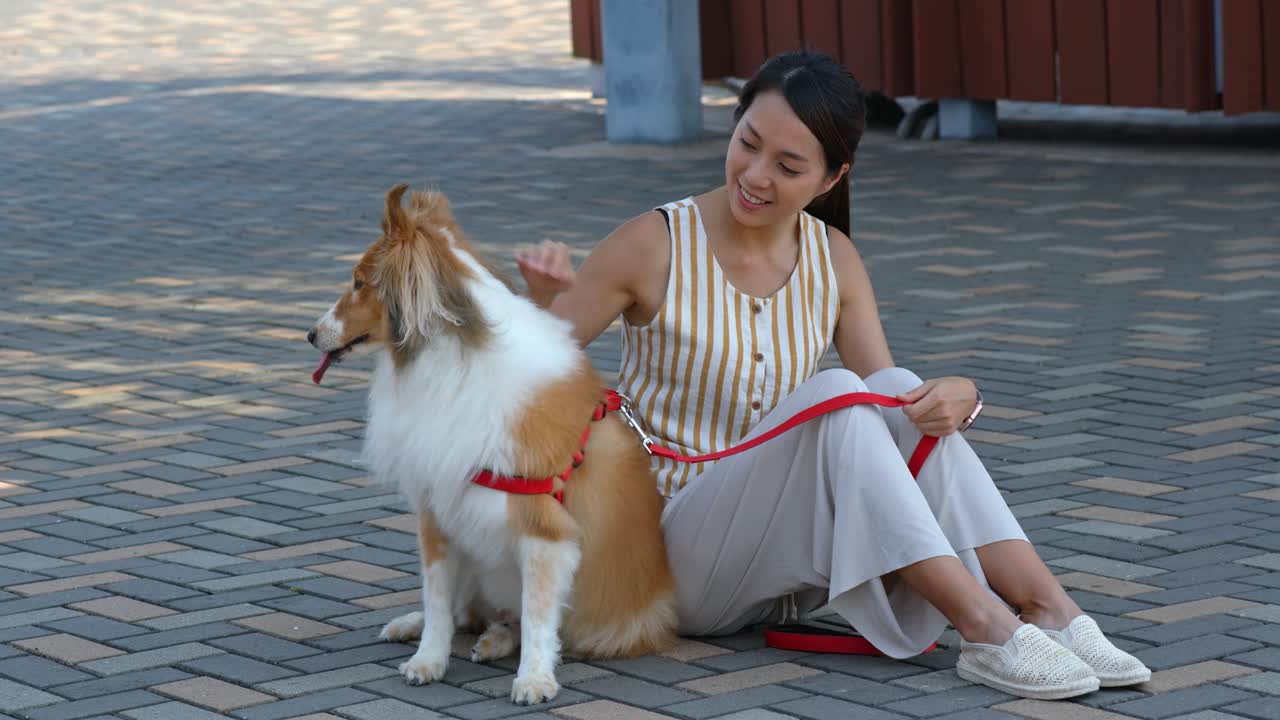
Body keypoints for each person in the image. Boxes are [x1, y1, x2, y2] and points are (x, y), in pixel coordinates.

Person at [516, 51, 1149, 700]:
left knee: (889, 389)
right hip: (666, 562)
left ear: (831, 177)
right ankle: (985, 623)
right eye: (748, 144)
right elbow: (520, 382)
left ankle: (1048, 606)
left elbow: (895, 407)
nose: (756, 176)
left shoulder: (833, 258)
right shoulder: (653, 243)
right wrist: (541, 304)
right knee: (841, 393)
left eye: (788, 167)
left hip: (784, 574)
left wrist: (961, 396)